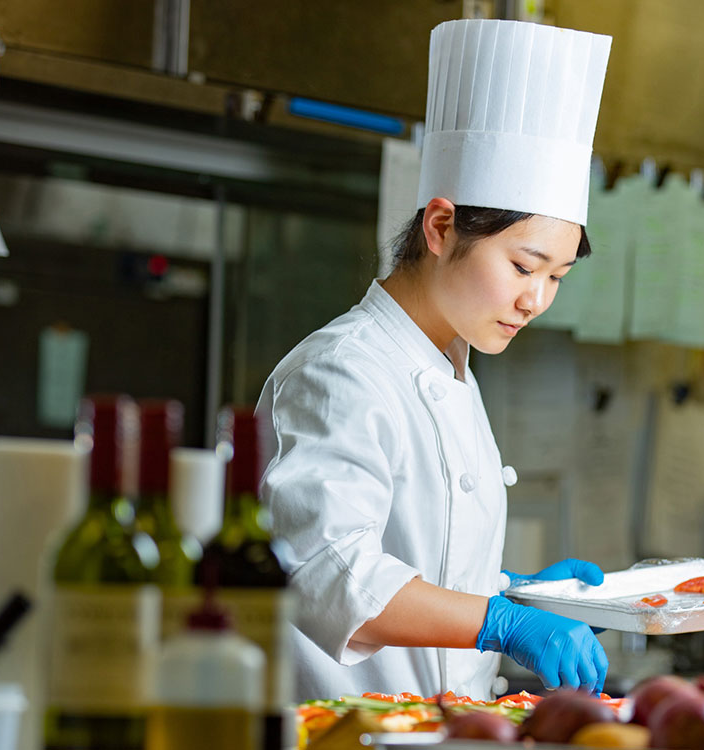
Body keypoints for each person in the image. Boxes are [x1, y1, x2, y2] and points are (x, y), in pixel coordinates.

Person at [257, 18, 613, 702]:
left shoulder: (455, 370)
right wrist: (498, 622)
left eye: (558, 276)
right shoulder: (341, 372)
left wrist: (515, 593)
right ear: (441, 227)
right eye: (522, 265)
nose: (537, 299)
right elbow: (329, 572)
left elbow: (419, 556)